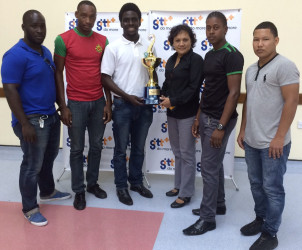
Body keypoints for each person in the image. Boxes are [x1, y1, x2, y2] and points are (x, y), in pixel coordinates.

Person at [1, 10, 71, 226]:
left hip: (50, 115)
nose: (39, 30)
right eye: (34, 26)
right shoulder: (14, 55)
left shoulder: (45, 52)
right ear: (24, 27)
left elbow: (52, 82)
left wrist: (62, 107)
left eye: (42, 25)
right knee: (32, 164)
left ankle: (48, 191)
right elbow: (10, 90)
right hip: (31, 121)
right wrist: (23, 124)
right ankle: (30, 208)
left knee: (48, 159)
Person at [237, 22, 299, 250]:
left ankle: (270, 233)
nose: (259, 44)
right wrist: (244, 129)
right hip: (252, 141)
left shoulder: (285, 66)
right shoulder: (252, 69)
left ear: (276, 40)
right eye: (256, 39)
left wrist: (280, 137)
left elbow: (292, 102)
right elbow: (249, 103)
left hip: (274, 143)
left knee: (272, 188)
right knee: (255, 184)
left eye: (265, 39)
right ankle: (260, 219)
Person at [183, 11, 244, 235]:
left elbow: (234, 93)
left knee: (208, 169)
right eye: (208, 27)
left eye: (216, 27)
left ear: (226, 29)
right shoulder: (209, 55)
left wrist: (220, 126)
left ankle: (207, 218)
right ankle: (218, 205)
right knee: (214, 165)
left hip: (220, 120)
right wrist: (199, 116)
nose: (211, 31)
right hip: (207, 116)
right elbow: (207, 89)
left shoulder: (232, 55)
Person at [54, 0, 112, 210]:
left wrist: (108, 103)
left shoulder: (103, 41)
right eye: (84, 16)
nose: (88, 21)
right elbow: (57, 74)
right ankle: (79, 190)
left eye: (92, 17)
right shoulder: (63, 40)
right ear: (76, 15)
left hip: (98, 102)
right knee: (77, 149)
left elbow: (106, 75)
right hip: (75, 104)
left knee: (96, 146)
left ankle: (92, 184)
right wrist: (63, 106)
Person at [101, 3, 153, 206]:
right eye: (126, 19)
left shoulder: (148, 46)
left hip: (145, 106)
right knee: (121, 150)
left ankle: (136, 183)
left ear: (140, 21)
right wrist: (127, 96)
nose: (130, 23)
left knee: (139, 149)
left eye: (134, 19)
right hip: (123, 106)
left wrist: (154, 94)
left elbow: (151, 72)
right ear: (121, 22)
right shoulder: (112, 48)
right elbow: (105, 78)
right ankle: (121, 187)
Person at [160, 24, 204, 208]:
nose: (181, 43)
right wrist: (158, 95)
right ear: (172, 42)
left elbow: (193, 89)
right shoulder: (171, 60)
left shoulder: (196, 60)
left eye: (185, 39)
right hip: (172, 113)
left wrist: (174, 101)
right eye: (177, 40)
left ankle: (186, 193)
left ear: (192, 41)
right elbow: (167, 84)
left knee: (186, 154)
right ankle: (178, 186)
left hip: (187, 113)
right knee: (177, 152)